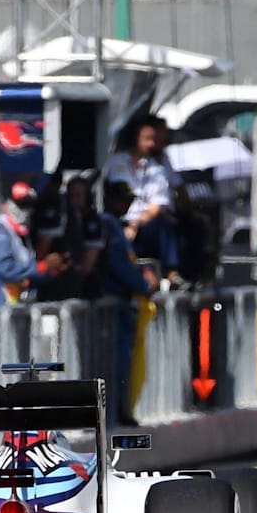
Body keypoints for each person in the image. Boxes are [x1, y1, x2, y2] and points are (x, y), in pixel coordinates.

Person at [100, 180, 159, 426]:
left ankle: (120, 410)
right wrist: (144, 284)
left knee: (125, 362)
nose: (128, 205)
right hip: (114, 304)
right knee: (115, 363)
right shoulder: (108, 224)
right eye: (124, 199)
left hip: (122, 305)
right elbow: (119, 265)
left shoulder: (116, 225)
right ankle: (115, 412)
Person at [106, 116, 183, 286]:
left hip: (143, 222)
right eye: (147, 139)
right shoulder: (115, 161)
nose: (151, 144)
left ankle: (172, 271)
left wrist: (135, 224)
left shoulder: (156, 168)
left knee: (164, 224)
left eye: (153, 140)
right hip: (118, 218)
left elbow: (157, 205)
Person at [0, 181, 67, 305]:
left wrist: (52, 270)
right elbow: (7, 270)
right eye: (21, 205)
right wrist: (41, 267)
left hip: (16, 305)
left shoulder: (23, 233)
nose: (26, 211)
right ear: (8, 205)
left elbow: (27, 273)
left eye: (29, 206)